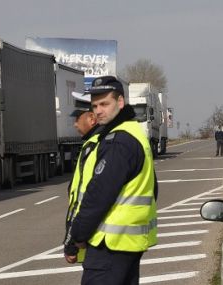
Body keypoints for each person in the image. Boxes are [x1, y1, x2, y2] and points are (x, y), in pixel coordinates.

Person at [66, 76, 158, 285]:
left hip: (110, 245)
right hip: (127, 244)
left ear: (120, 102)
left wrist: (77, 235)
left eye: (104, 104)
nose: (98, 111)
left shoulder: (119, 141)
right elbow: (154, 188)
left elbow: (98, 195)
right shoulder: (133, 133)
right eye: (95, 105)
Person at [64, 93, 101, 264]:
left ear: (92, 119)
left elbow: (84, 200)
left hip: (97, 243)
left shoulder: (95, 147)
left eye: (78, 118)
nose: (75, 124)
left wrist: (71, 242)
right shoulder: (100, 143)